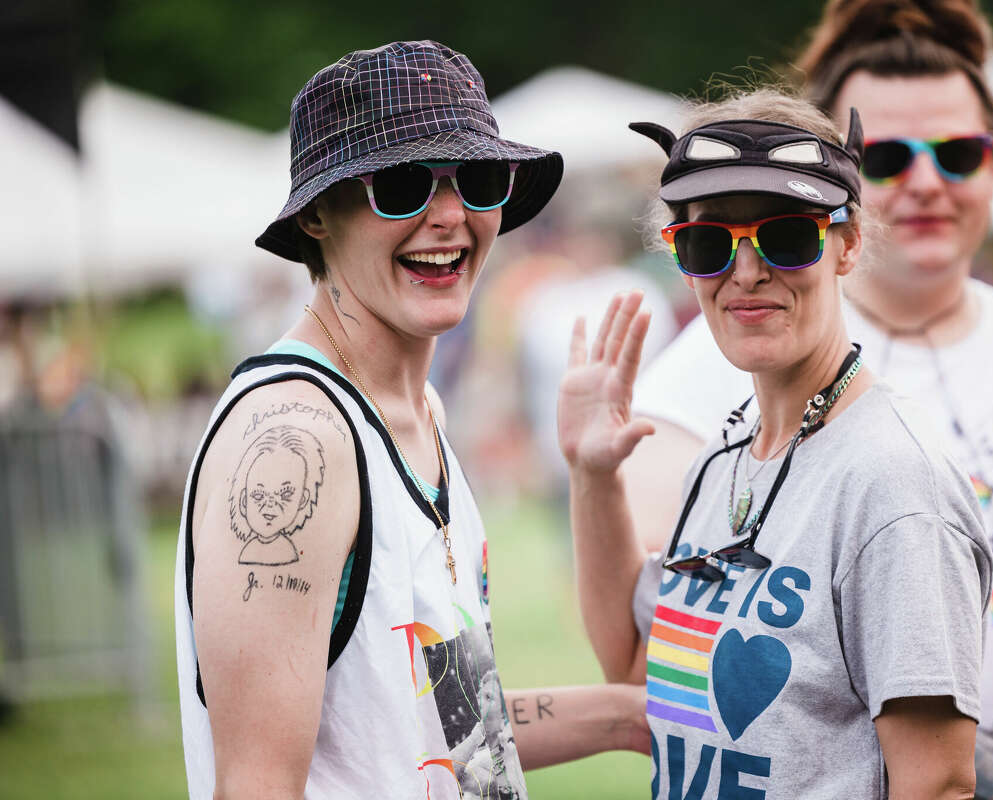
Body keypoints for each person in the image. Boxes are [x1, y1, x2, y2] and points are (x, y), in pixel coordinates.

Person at [625, 2, 993, 797]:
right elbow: (653, 635)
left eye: (960, 152)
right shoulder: (731, 351)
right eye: (891, 156)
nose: (929, 181)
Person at [173, 41, 647, 799]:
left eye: (480, 180)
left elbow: (434, 728)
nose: (451, 216)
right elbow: (256, 783)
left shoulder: (418, 411)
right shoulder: (299, 437)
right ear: (319, 216)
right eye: (401, 186)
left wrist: (631, 717)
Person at [558, 89, 993, 799]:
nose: (747, 271)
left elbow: (938, 784)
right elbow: (640, 674)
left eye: (786, 236)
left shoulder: (893, 484)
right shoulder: (724, 457)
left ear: (847, 244)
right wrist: (592, 475)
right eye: (709, 243)